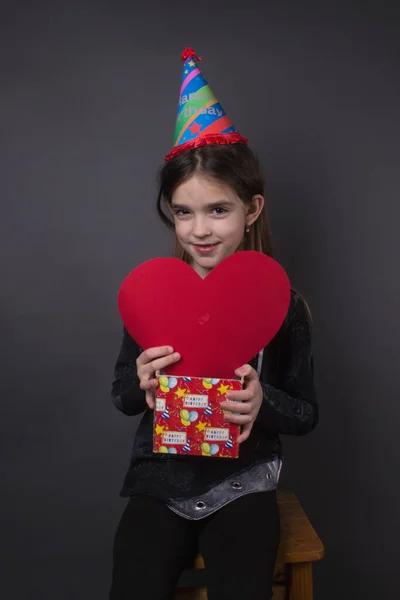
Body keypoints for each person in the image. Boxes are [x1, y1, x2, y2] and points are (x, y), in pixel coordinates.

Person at [109, 48, 318, 600]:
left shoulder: (283, 304)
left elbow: (305, 411)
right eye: (183, 212)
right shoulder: (155, 297)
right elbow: (123, 398)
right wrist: (142, 381)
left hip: (243, 484)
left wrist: (261, 404)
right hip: (160, 482)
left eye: (217, 210)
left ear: (252, 210)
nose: (199, 230)